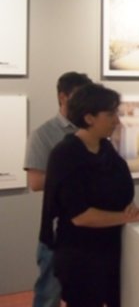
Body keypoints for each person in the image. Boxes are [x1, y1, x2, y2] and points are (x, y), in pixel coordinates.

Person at [40, 83, 139, 307]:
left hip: (111, 248)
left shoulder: (106, 150)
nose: (116, 120)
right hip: (81, 257)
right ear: (89, 118)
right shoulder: (65, 155)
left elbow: (122, 192)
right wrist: (131, 216)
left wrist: (131, 208)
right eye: (110, 114)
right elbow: (81, 216)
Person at [24, 71, 92, 307]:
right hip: (57, 230)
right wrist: (75, 175)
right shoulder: (43, 134)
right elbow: (35, 182)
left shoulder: (92, 132)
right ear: (63, 97)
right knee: (49, 295)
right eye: (79, 96)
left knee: (84, 294)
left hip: (89, 225)